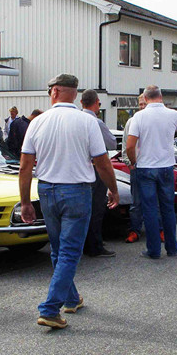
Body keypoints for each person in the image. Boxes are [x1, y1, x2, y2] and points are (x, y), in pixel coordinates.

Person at [19, 74, 118, 329]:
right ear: (75, 94)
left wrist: (25, 202)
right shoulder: (87, 121)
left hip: (47, 190)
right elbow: (102, 162)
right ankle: (50, 309)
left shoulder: (37, 122)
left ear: (54, 92)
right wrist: (113, 189)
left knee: (59, 251)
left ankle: (71, 298)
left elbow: (25, 166)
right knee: (70, 252)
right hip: (76, 191)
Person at [126, 85, 177, 259]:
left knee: (149, 209)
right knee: (168, 209)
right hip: (166, 166)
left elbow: (130, 145)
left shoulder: (139, 117)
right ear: (161, 96)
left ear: (145, 98)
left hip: (146, 167)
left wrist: (134, 161)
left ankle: (154, 250)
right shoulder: (173, 114)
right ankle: (172, 248)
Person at [81, 89, 117, 258]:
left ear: (81, 103)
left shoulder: (76, 119)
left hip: (80, 169)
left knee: (83, 208)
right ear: (96, 103)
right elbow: (111, 144)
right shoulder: (96, 122)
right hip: (95, 168)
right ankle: (95, 245)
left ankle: (84, 242)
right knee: (96, 208)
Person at [122, 94, 149, 244]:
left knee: (156, 202)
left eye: (145, 104)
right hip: (136, 167)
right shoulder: (132, 122)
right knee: (135, 203)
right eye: (140, 104)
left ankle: (160, 230)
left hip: (152, 166)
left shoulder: (155, 121)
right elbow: (126, 144)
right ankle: (134, 230)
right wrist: (130, 163)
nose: (142, 107)